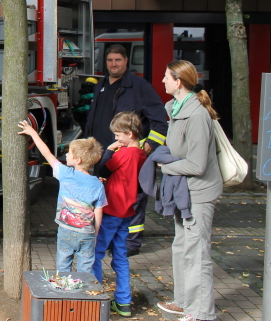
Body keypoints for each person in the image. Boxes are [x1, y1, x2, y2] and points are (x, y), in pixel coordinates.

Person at [84, 44, 168, 256]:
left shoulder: (140, 87)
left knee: (133, 200)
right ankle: (110, 240)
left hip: (129, 158)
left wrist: (149, 145)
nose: (114, 64)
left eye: (118, 60)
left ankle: (130, 244)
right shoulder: (101, 85)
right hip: (104, 155)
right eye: (110, 60)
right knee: (107, 200)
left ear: (126, 61)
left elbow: (160, 121)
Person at [156, 60, 222, 321]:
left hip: (199, 193)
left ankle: (202, 313)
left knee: (197, 254)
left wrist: (164, 166)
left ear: (178, 82)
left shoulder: (197, 115)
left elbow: (196, 164)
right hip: (185, 192)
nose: (162, 81)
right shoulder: (175, 108)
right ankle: (184, 302)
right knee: (182, 248)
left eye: (166, 77)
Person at [18, 120, 106, 275]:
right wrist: (95, 235)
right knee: (85, 271)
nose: (66, 154)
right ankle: (82, 297)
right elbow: (98, 213)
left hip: (65, 230)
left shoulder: (65, 174)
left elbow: (47, 154)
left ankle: (63, 295)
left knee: (63, 266)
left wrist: (33, 133)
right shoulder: (97, 184)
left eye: (70, 153)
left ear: (78, 160)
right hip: (86, 233)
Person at [92, 111, 149, 318]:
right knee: (120, 257)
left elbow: (104, 170)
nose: (116, 139)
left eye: (118, 135)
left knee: (96, 254)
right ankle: (123, 302)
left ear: (129, 134)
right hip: (127, 211)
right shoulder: (142, 155)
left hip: (111, 210)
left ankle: (94, 298)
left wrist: (109, 151)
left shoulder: (123, 154)